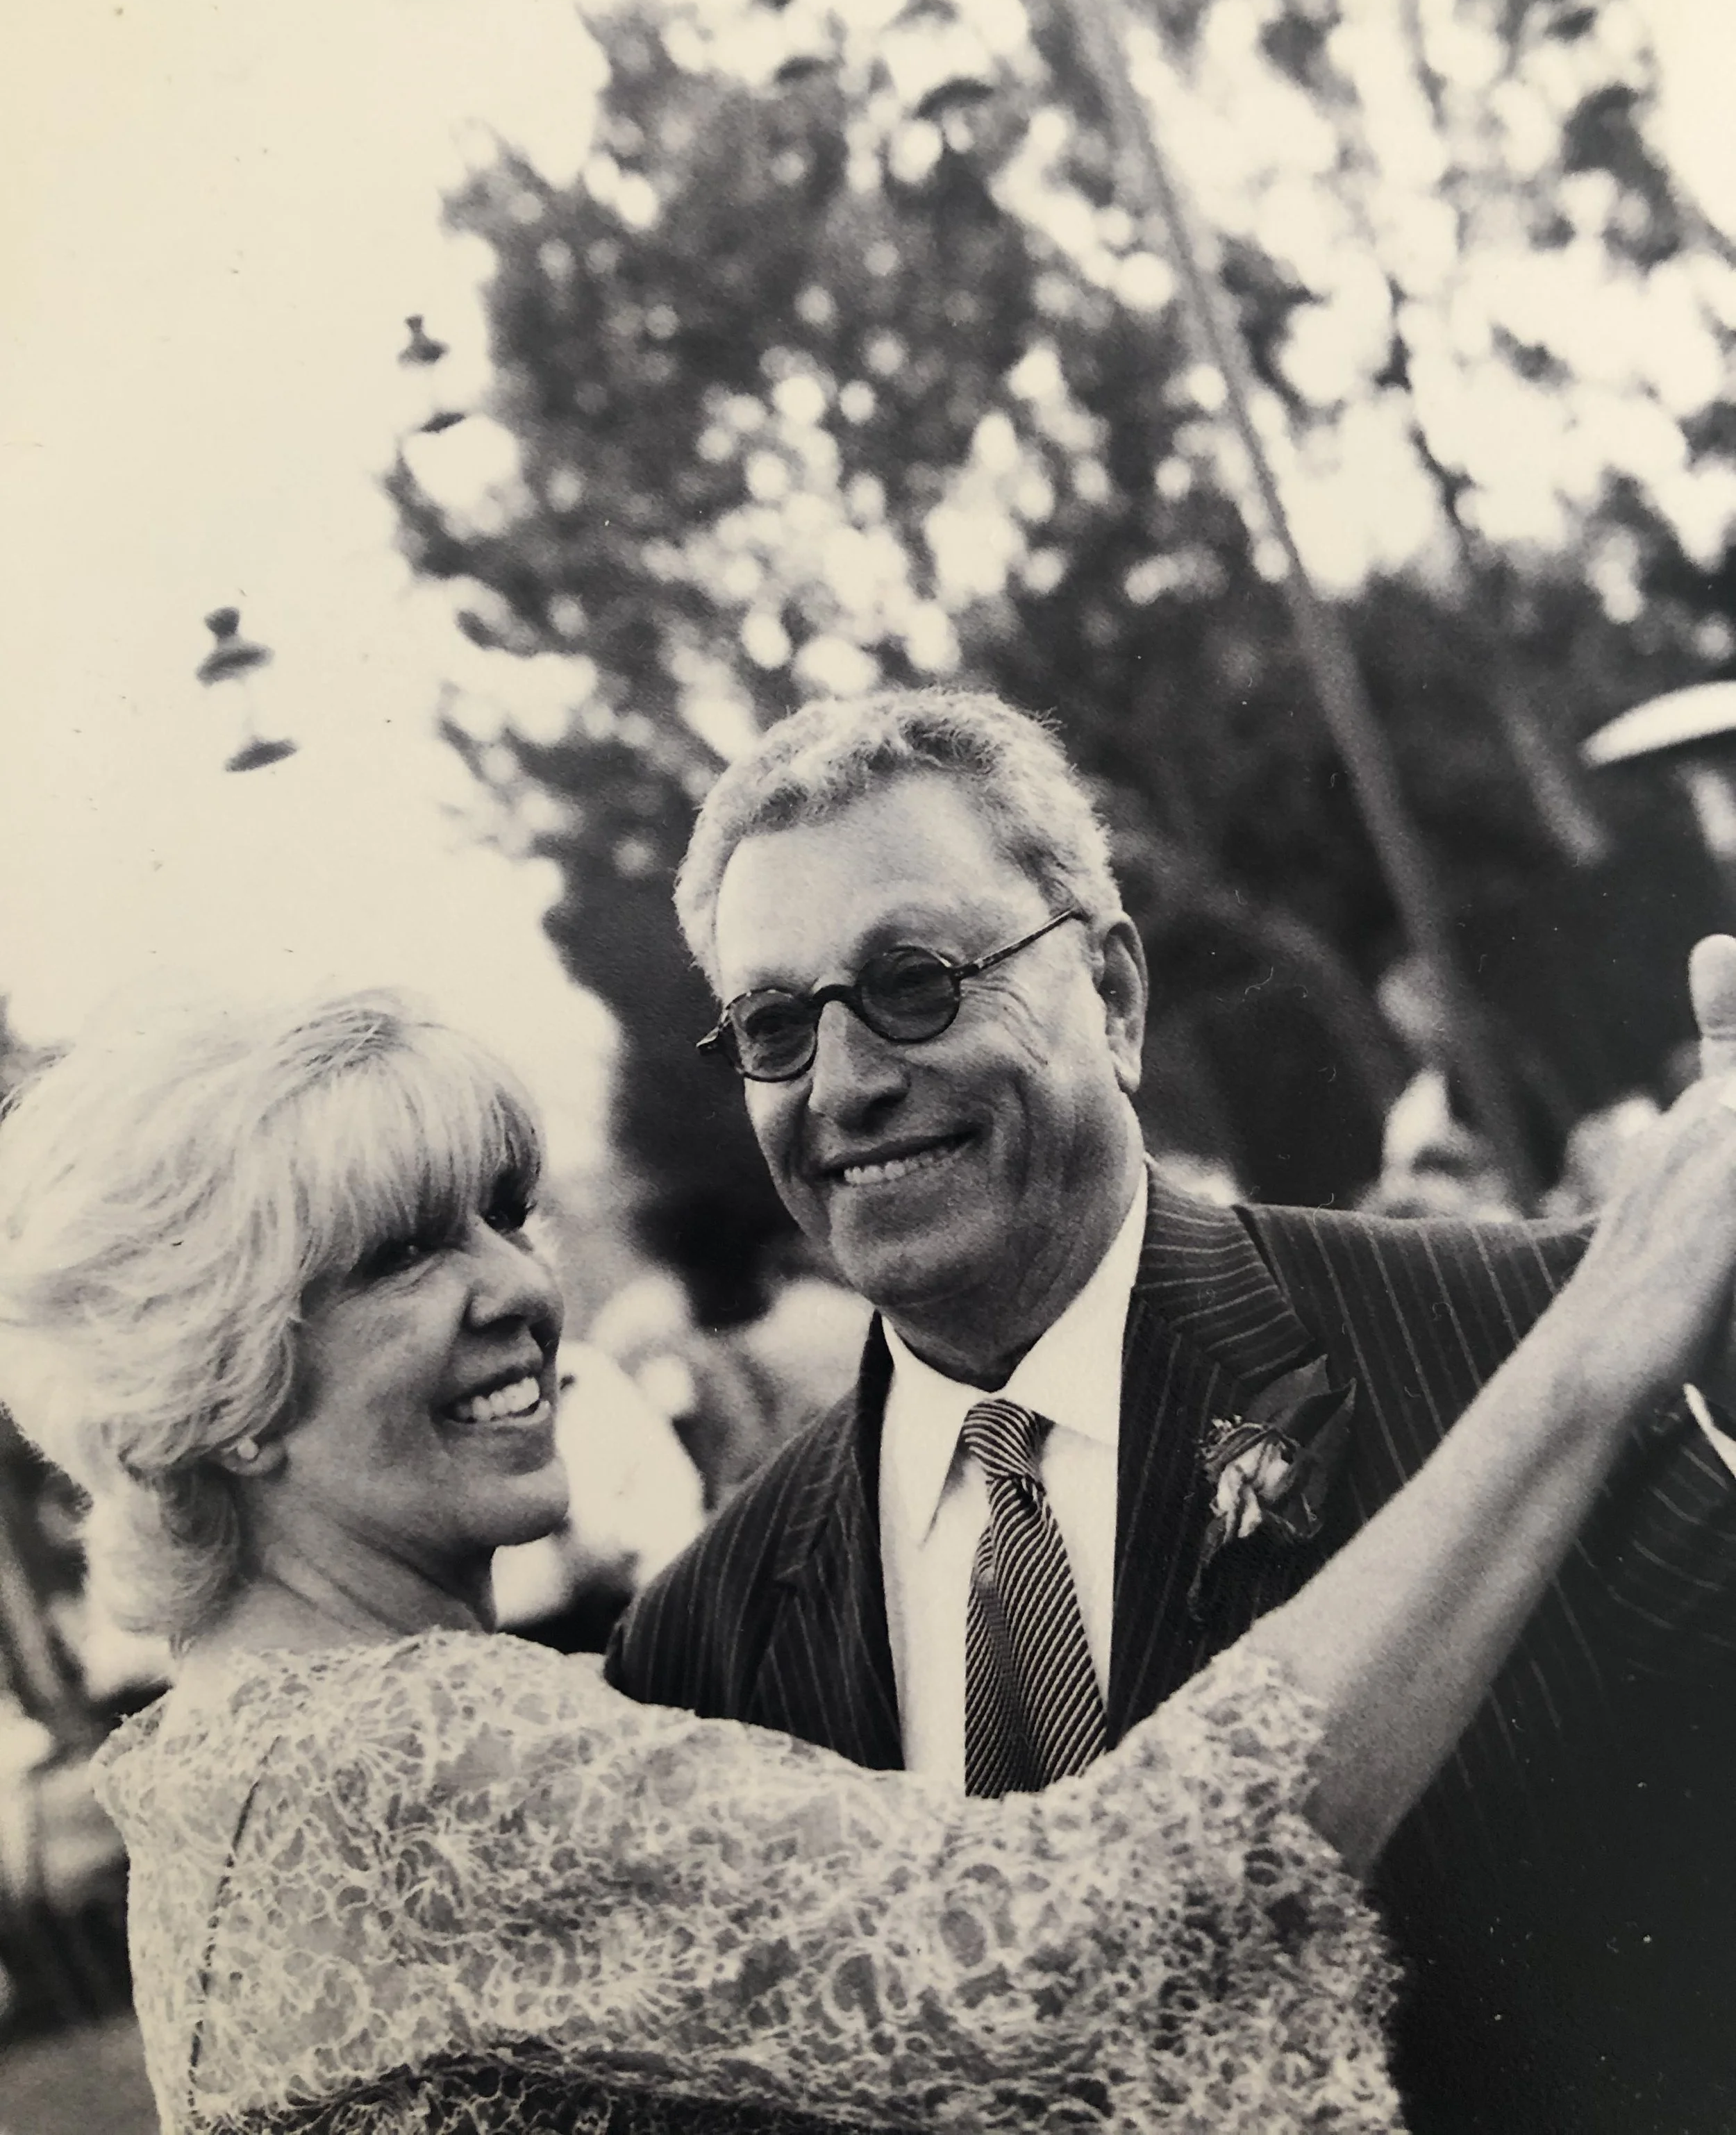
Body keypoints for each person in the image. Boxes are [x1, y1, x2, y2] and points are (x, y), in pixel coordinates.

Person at [1, 998, 1733, 2133]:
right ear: (217, 1384)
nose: (514, 1287)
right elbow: (1079, 1937)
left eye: (504, 1210)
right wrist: (1592, 1349)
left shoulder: (218, 1772)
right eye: (397, 1255)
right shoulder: (393, 1751)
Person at [608, 687, 1736, 2135]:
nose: (847, 1082)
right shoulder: (696, 1648)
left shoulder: (1519, 1343)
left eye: (915, 981)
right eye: (773, 1025)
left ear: (1116, 997)